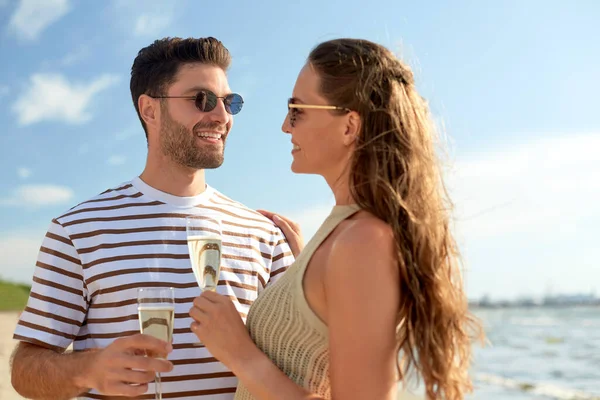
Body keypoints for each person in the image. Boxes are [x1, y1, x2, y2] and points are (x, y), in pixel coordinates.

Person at [188, 38, 483, 400]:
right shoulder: (342, 235)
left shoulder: (362, 242)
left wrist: (240, 355)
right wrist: (304, 268)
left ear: (349, 126)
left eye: (297, 110)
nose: (285, 125)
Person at [10, 36, 294, 400]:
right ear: (150, 110)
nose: (222, 116)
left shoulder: (264, 235)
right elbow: (25, 370)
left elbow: (301, 365)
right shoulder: (78, 230)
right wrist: (88, 369)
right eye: (201, 100)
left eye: (230, 102)